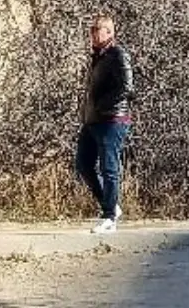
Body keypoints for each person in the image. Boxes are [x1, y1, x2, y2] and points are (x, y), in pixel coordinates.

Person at [75, 13, 133, 233]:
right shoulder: (97, 57)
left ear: (109, 32)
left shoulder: (118, 55)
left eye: (97, 29)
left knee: (109, 168)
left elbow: (127, 88)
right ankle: (110, 206)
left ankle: (109, 217)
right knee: (83, 165)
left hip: (112, 120)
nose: (92, 33)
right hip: (93, 120)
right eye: (91, 29)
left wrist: (102, 106)